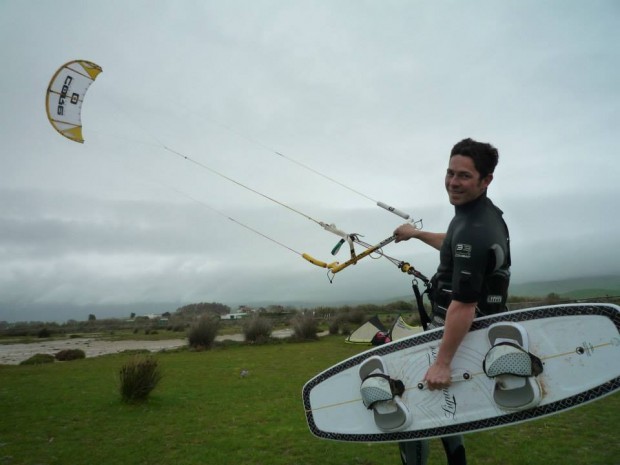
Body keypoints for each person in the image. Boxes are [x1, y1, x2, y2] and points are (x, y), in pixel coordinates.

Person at [393, 138, 511, 465]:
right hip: (453, 331)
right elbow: (452, 242)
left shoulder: (474, 228)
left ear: (486, 180)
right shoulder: (477, 216)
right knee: (445, 407)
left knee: (411, 414)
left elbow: (464, 304)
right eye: (450, 173)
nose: (453, 182)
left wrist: (443, 362)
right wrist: (415, 234)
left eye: (464, 176)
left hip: (455, 334)